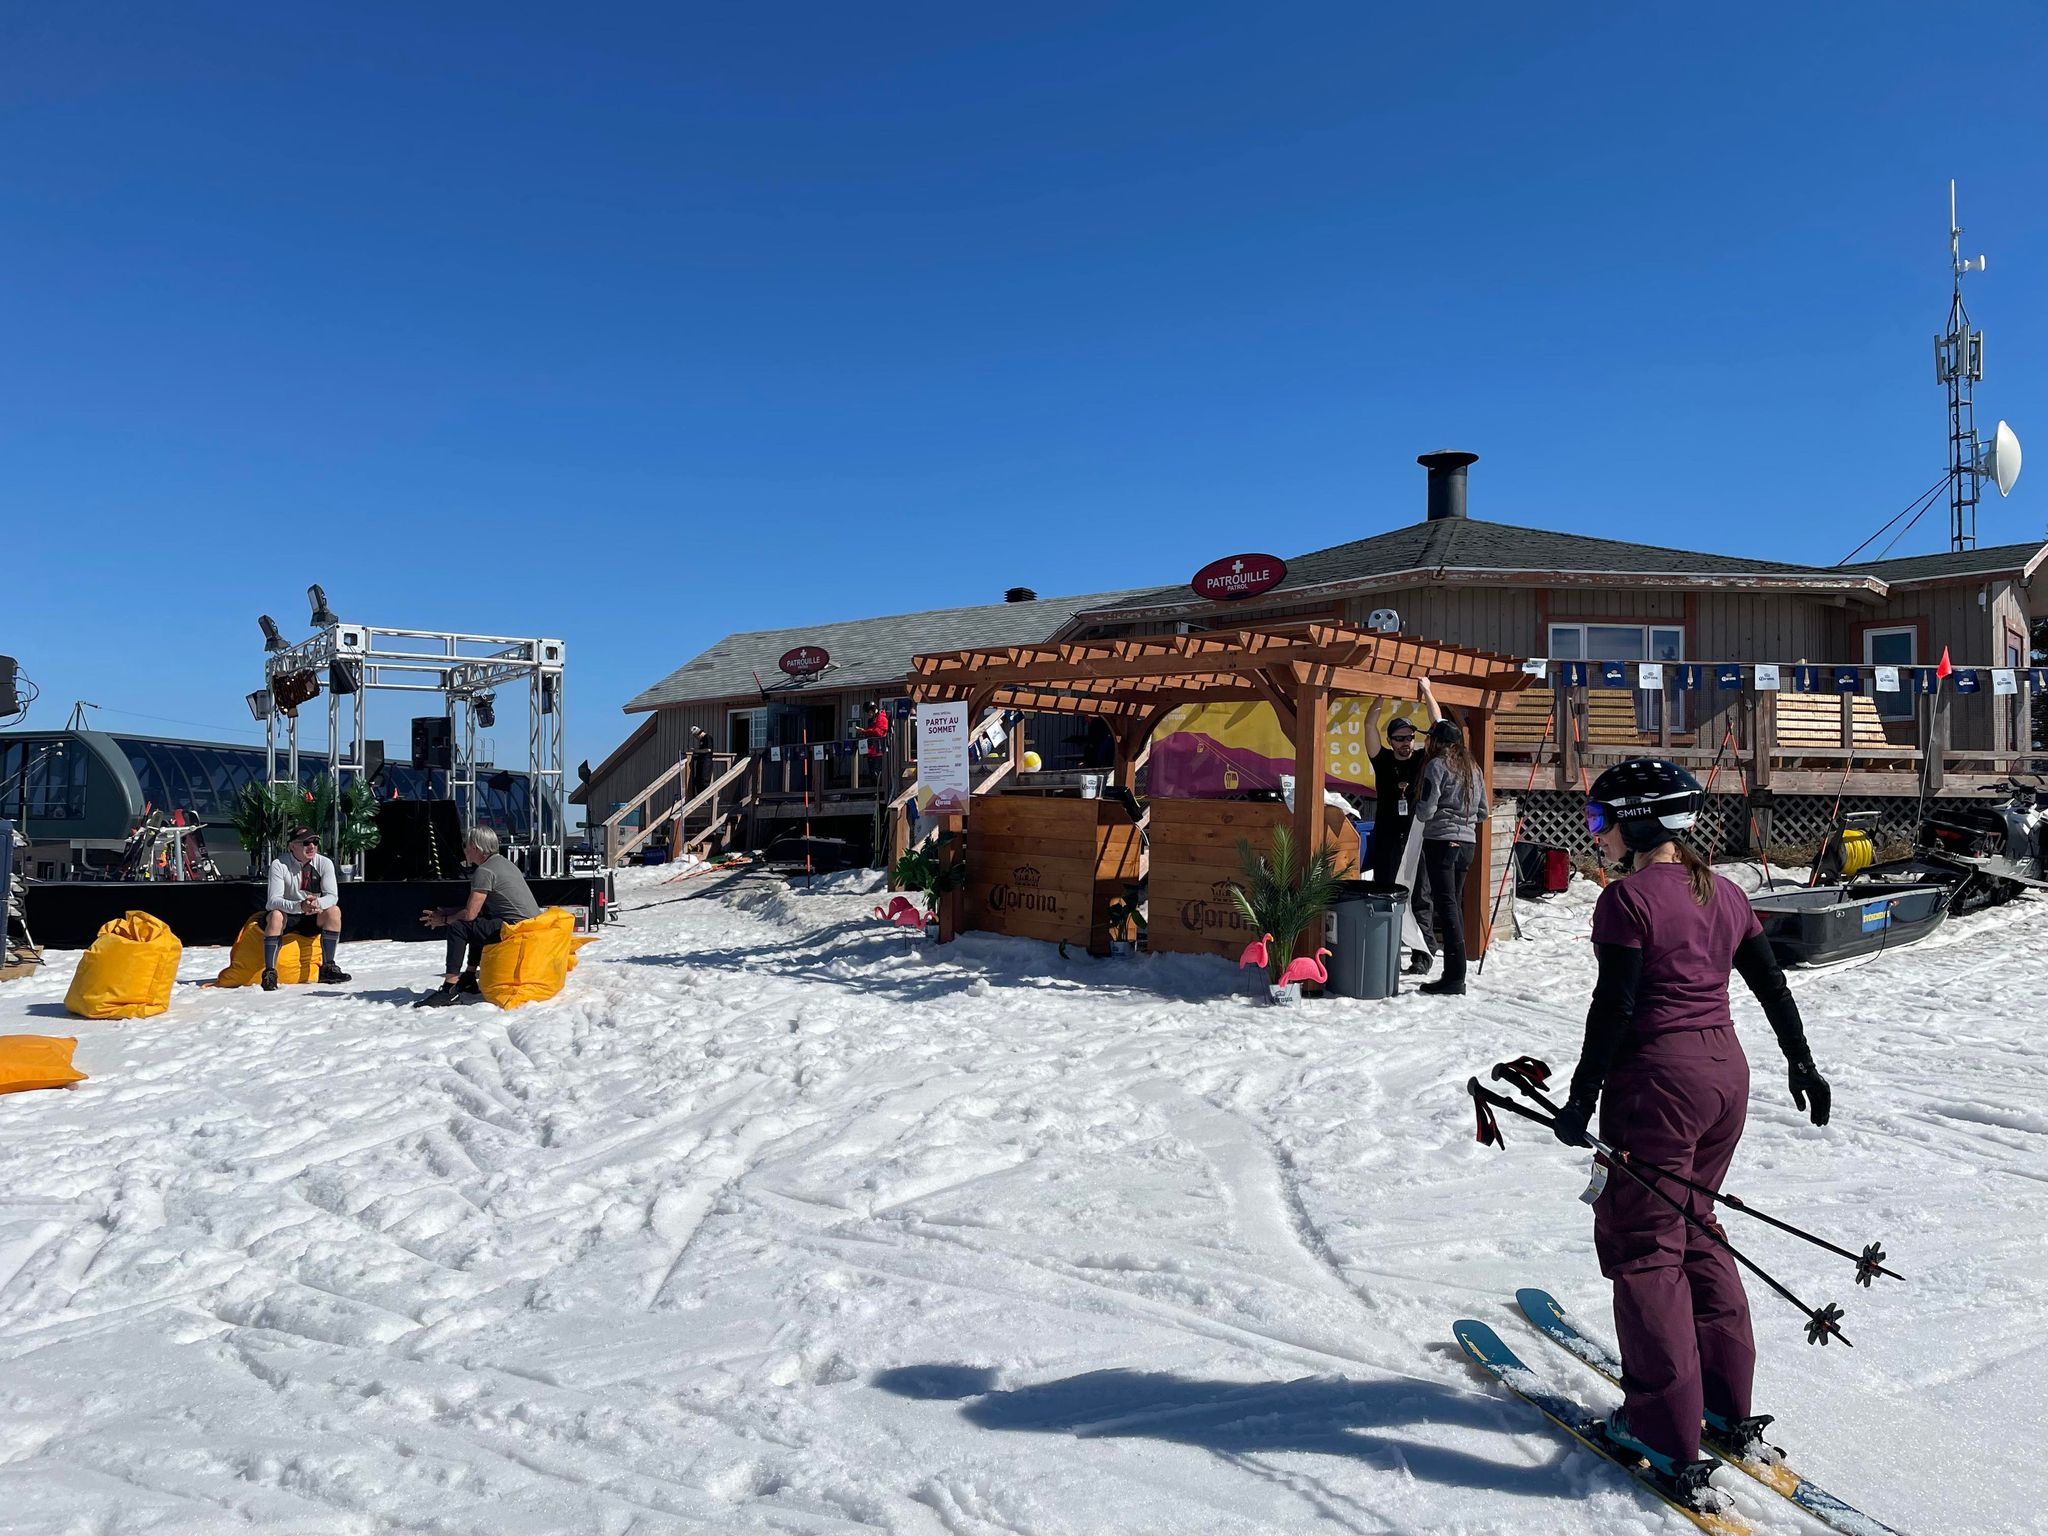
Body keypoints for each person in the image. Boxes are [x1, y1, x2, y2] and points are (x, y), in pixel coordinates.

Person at [1550, 758, 1831, 1504]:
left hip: (1658, 1086)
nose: (1597, 833)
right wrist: (1801, 1062)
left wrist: (1580, 1100)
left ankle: (1662, 1432)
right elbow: (1771, 984)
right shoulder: (1726, 892)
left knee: (1646, 1247)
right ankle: (1724, 1405)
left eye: (1600, 819)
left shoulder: (1627, 902)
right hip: (1724, 1082)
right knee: (1697, 1224)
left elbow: (1613, 1008)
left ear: (1640, 822)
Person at [415, 825, 540, 1007]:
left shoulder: (485, 871)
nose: (464, 849)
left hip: (516, 929)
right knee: (478, 924)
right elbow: (479, 911)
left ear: (476, 847)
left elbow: (470, 914)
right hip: (529, 925)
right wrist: (447, 911)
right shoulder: (503, 863)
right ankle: (469, 977)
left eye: (466, 845)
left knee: (459, 926)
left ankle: (450, 988)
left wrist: (443, 920)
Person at [1365, 684, 1443, 974]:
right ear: (1391, 740)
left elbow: (1439, 726)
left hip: (1416, 838)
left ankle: (1423, 955)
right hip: (1387, 838)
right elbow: (1369, 724)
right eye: (1399, 738)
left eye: (1410, 737)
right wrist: (1381, 692)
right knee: (1385, 894)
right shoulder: (1383, 760)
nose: (1405, 743)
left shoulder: (1423, 760)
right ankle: (1386, 952)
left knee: (1420, 897)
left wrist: (1428, 693)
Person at [1411, 717, 1487, 995]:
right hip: (1468, 843)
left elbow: (1427, 809)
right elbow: (1484, 811)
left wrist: (1420, 808)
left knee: (1447, 907)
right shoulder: (1473, 768)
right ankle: (1454, 972)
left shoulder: (1436, 765)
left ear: (1439, 742)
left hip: (1441, 840)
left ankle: (1455, 976)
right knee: (1453, 903)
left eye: (1430, 738)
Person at [261, 827, 349, 990]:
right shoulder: (279, 864)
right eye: (306, 843)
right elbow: (273, 901)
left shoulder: (324, 862)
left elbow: (332, 896)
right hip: (289, 913)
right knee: (275, 915)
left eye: (315, 842)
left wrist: (317, 903)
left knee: (334, 911)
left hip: (312, 913)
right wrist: (299, 906)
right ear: (292, 846)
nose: (312, 847)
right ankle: (269, 973)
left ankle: (328, 967)